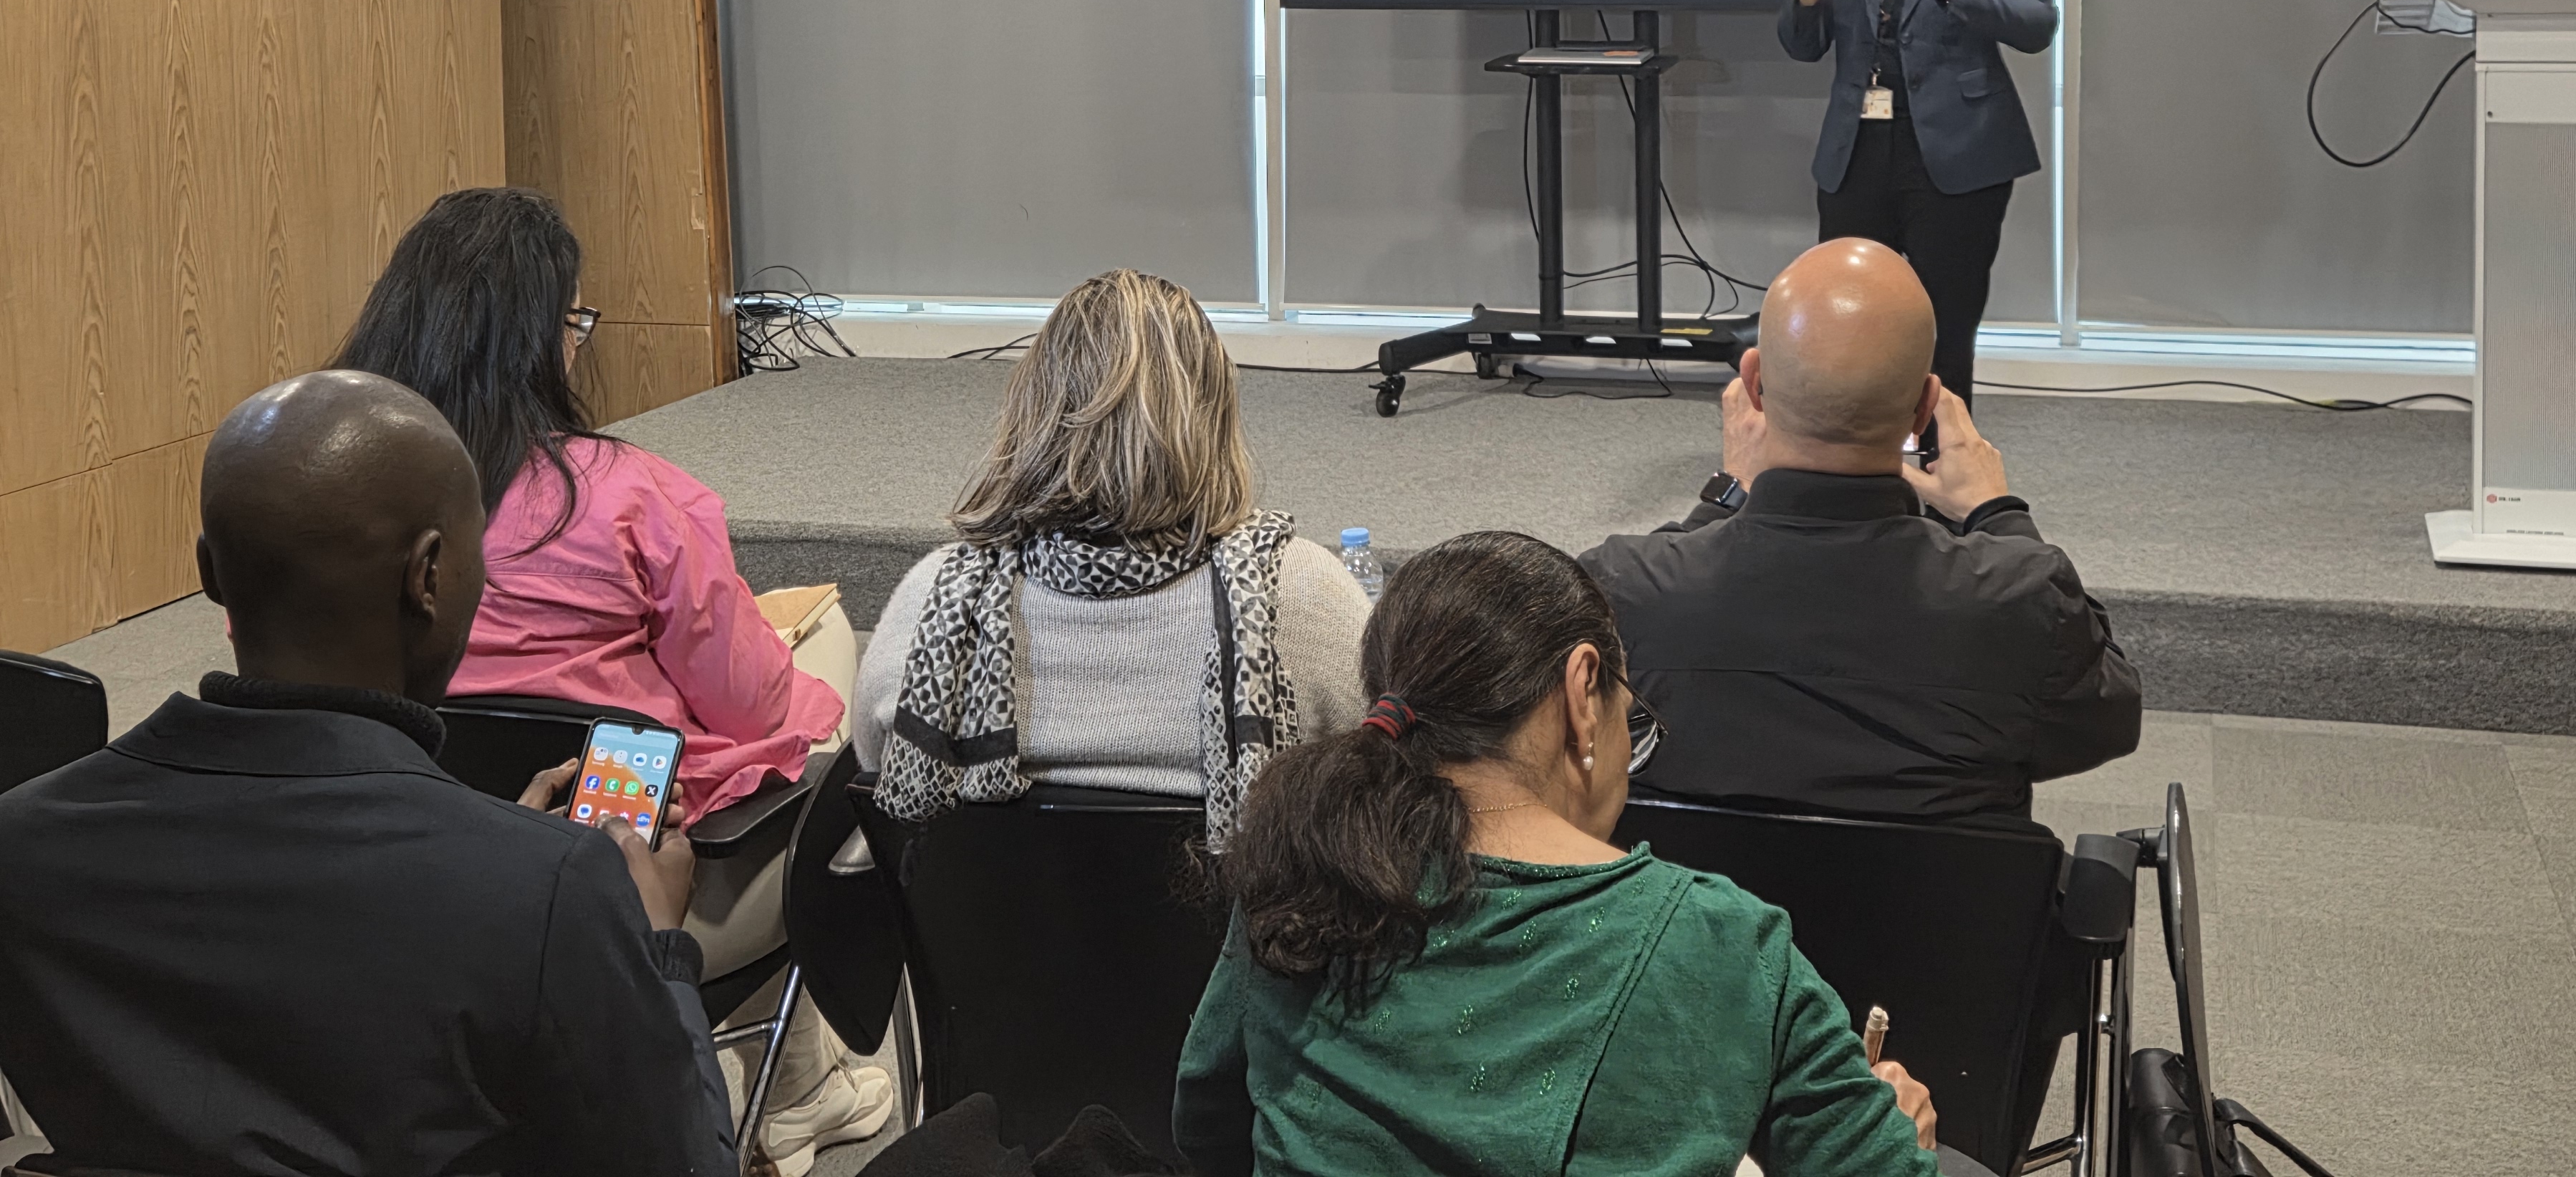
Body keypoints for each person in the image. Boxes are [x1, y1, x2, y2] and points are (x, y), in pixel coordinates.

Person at [0, 371, 733, 1176]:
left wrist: (512, 854)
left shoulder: (21, 842)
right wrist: (656, 948)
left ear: (209, 572)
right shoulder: (550, 892)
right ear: (429, 576)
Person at [333, 186, 887, 1171]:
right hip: (614, 891)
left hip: (395, 881)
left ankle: (797, 1082)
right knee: (819, 671)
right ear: (537, 340)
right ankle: (794, 1088)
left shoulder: (328, 494)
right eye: (573, 322)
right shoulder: (633, 497)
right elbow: (754, 710)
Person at [1178, 530, 1980, 1177]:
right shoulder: (1721, 939)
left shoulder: (1299, 879)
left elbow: (1208, 1129)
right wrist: (1899, 1134)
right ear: (1582, 691)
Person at [1581, 239, 2138, 825]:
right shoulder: (2020, 597)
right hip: (1936, 890)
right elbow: (2105, 721)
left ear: (1753, 383)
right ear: (1925, 407)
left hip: (1692, 889)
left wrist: (1727, 496)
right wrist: (1998, 512)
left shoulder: (1625, 589)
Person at [858, 269, 1370, 850]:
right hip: (1245, 909)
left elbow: (877, 778)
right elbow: (1386, 781)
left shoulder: (931, 603)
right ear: (1213, 415)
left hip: (985, 910)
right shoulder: (1305, 593)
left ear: (1033, 407)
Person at [1780, 0, 2056, 408]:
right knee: (1849, 320)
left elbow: (2036, 23)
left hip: (1956, 154)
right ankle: (1857, 451)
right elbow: (1804, 46)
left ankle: (1940, 451)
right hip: (1857, 153)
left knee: (1944, 325)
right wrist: (1805, 1)